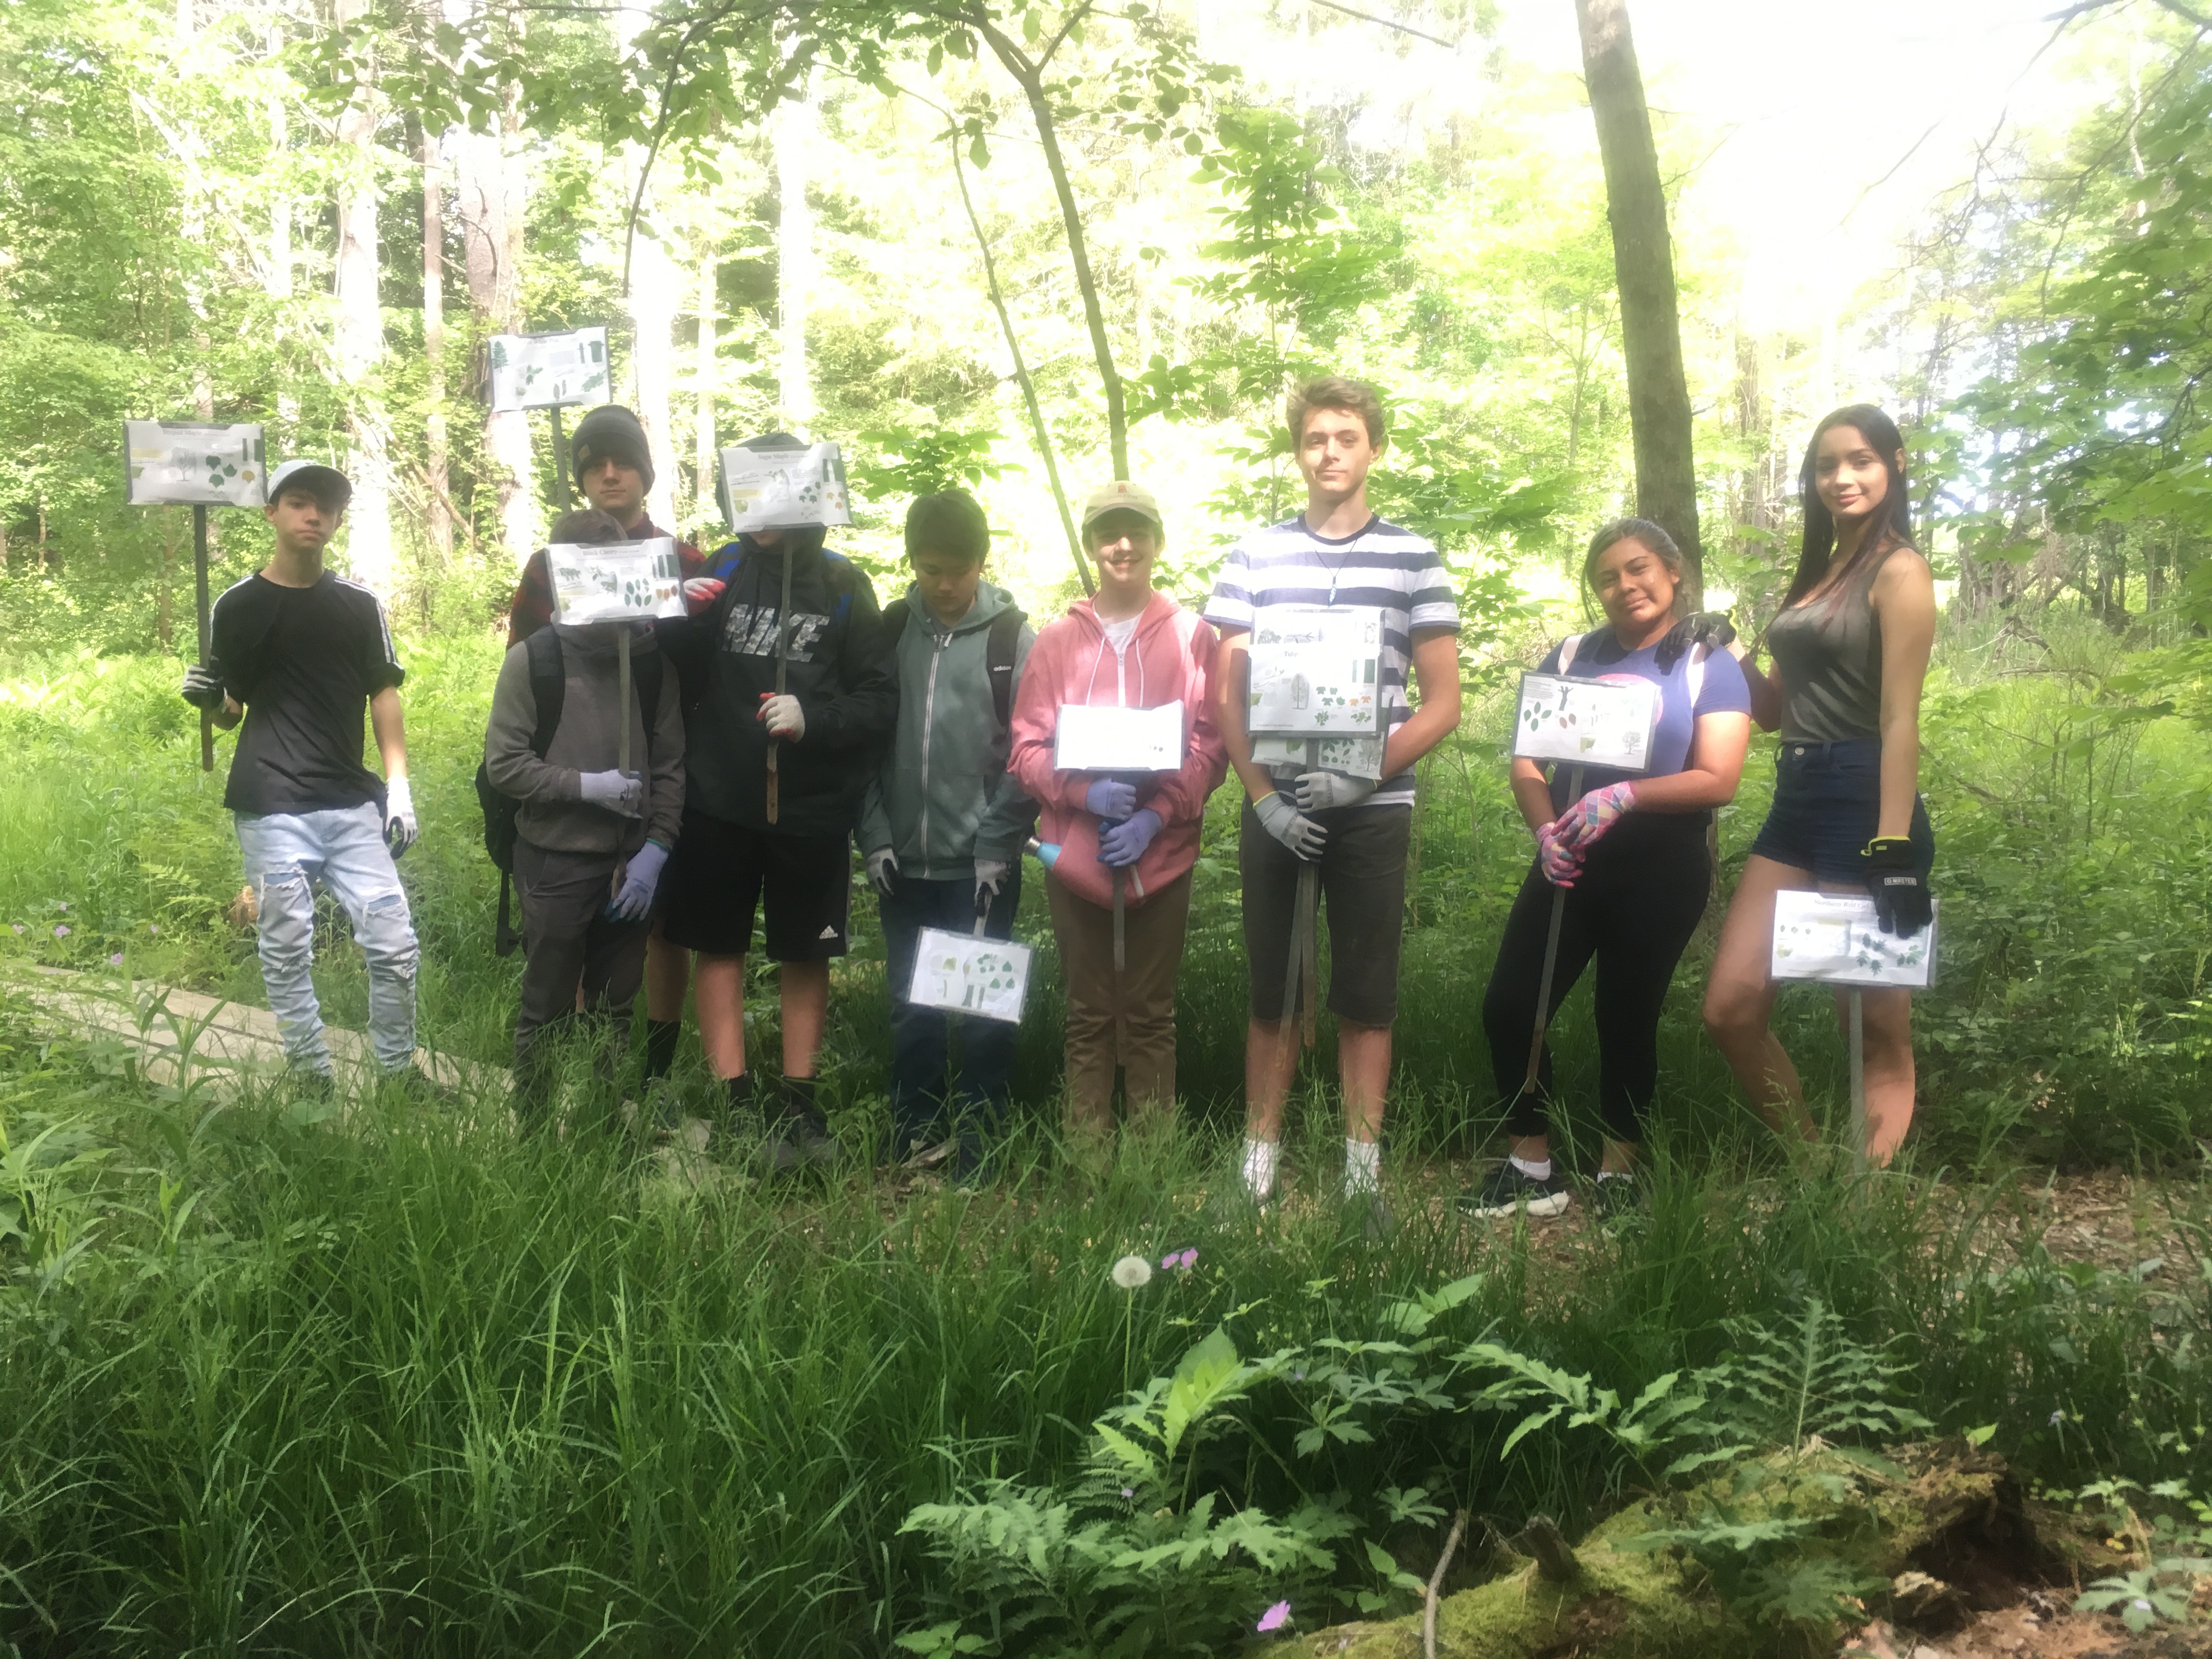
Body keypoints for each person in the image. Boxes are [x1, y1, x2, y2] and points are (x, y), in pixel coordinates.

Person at [1206, 377, 1463, 1223]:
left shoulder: (1415, 558)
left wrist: (1368, 774)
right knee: (1273, 991)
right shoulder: (1255, 557)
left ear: (1373, 449)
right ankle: (1257, 1169)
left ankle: (1361, 1179)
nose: (1329, 453)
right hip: (1276, 800)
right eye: (1315, 439)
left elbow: (1442, 702)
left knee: (1365, 992)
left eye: (1346, 438)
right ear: (1298, 452)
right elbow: (1226, 694)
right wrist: (1262, 797)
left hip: (1373, 808)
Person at [1460, 520, 1752, 1222]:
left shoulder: (1707, 662)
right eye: (1607, 577)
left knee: (1626, 1017)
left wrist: (1628, 794)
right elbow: (1528, 763)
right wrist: (1543, 832)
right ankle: (1532, 1163)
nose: (1625, 586)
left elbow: (1720, 778)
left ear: (1673, 572)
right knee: (1510, 1007)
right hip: (1570, 866)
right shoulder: (1572, 655)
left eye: (1640, 568)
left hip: (1660, 868)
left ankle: (1619, 1172)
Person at [653, 431, 898, 1171]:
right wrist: (682, 620)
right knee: (717, 945)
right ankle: (734, 1101)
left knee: (804, 950)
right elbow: (677, 679)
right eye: (747, 493)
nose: (760, 510)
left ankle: (800, 1101)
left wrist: (813, 720)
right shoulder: (719, 569)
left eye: (777, 492)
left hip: (812, 807)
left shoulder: (846, 583)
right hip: (719, 800)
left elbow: (879, 697)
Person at [1702, 405, 1937, 1165]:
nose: (1842, 477)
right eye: (1827, 465)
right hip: (1797, 796)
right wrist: (1731, 647)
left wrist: (1894, 842)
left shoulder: (1900, 570)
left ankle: (1860, 1206)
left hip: (1868, 797)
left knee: (1870, 1021)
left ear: (1895, 465)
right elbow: (1773, 715)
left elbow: (1901, 718)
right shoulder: (1817, 574)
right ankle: (1814, 1171)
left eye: (1860, 460)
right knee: (1731, 1009)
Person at [178, 459, 429, 1096]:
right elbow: (232, 711)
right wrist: (210, 702)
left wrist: (398, 788)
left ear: (338, 520)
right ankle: (311, 1074)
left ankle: (398, 1073)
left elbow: (384, 694)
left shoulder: (358, 605)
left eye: (327, 506)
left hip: (350, 803)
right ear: (272, 513)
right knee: (287, 947)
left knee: (395, 946)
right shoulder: (237, 605)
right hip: (271, 805)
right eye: (298, 502)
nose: (314, 514)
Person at [1009, 482, 1227, 1169]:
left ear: (1158, 541)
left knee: (1151, 1013)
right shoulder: (1056, 640)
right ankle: (1088, 1169)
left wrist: (1158, 815)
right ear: (1091, 545)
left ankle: (1153, 1168)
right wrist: (1080, 791)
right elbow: (1025, 746)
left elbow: (1212, 744)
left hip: (1161, 857)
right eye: (1109, 532)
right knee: (1090, 1014)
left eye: (1136, 531)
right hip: (1075, 855)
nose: (1123, 545)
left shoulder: (1196, 638)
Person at [500, 403, 712, 1101]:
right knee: (563, 967)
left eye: (622, 461)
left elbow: (704, 672)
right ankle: (553, 1095)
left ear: (647, 473)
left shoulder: (681, 561)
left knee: (654, 936)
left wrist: (688, 614)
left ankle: (641, 1076)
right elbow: (532, 673)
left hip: (659, 790)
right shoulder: (550, 562)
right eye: (595, 464)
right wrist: (578, 783)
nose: (610, 473)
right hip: (567, 818)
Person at [483, 508, 686, 1129]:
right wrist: (584, 787)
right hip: (555, 860)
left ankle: (603, 1125)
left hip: (629, 869)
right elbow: (505, 766)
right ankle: (535, 1130)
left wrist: (656, 849)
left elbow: (672, 767)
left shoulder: (652, 665)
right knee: (545, 1004)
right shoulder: (535, 662)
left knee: (614, 1008)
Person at [859, 490, 1037, 1177]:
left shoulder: (1011, 638)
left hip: (982, 864)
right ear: (912, 563)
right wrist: (874, 835)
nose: (944, 583)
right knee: (912, 1003)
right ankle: (915, 1129)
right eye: (930, 568)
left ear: (981, 561)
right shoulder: (891, 628)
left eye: (957, 569)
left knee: (985, 1004)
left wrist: (998, 840)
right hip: (903, 862)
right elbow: (866, 743)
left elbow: (1030, 750)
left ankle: (980, 1137)